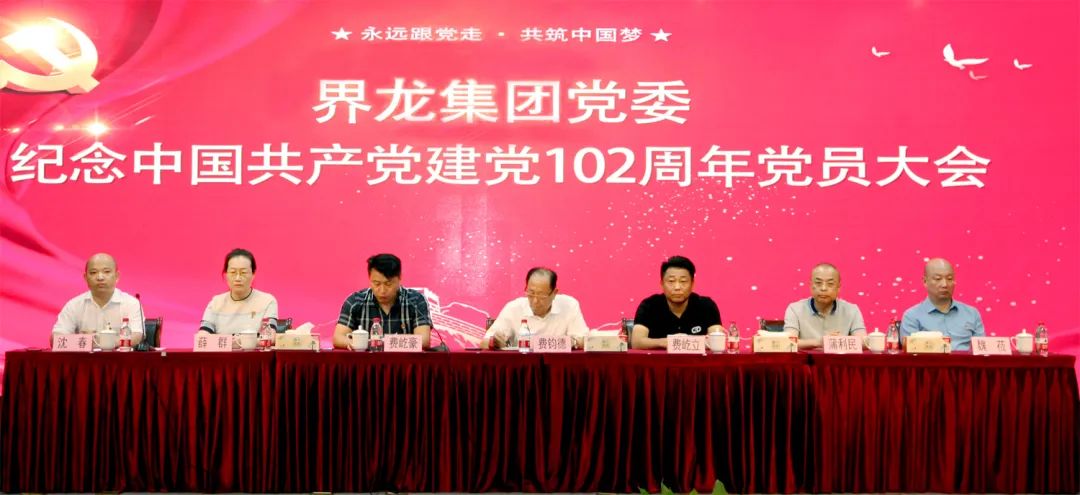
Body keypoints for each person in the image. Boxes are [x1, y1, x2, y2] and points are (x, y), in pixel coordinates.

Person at [333, 253, 432, 349]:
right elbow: (338, 338)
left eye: (388, 284)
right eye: (376, 283)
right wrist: (368, 344)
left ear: (400, 278)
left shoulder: (415, 300)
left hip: (403, 360)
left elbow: (424, 340)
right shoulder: (355, 301)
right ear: (369, 278)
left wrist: (379, 343)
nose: (382, 290)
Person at [482, 267, 589, 349]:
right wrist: (493, 342)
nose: (535, 301)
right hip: (524, 366)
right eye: (531, 293)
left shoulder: (569, 305)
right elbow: (484, 342)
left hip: (558, 365)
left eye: (541, 295)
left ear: (554, 293)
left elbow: (585, 341)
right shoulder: (513, 308)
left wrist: (573, 342)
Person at [631, 255, 722, 349]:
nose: (677, 287)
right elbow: (636, 342)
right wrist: (668, 342)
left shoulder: (706, 306)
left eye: (683, 281)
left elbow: (718, 341)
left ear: (692, 284)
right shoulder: (649, 306)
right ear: (662, 284)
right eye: (671, 281)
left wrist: (684, 342)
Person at [52, 253, 144, 343]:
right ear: (85, 277)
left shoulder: (131, 303)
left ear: (117, 276)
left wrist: (103, 343)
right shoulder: (74, 305)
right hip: (86, 354)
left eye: (106, 272)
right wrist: (85, 342)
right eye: (93, 272)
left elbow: (137, 335)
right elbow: (56, 338)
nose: (100, 277)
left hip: (119, 354)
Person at [901, 257, 985, 351]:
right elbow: (911, 354)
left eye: (949, 279)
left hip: (966, 360)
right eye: (938, 279)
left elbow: (982, 351)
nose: (945, 284)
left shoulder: (972, 313)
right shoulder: (912, 316)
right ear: (925, 281)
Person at [782, 263, 866, 349]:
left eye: (830, 284)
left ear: (838, 287)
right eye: (818, 283)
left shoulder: (852, 310)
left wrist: (840, 341)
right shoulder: (795, 309)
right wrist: (819, 342)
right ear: (810, 285)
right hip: (808, 358)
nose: (823, 288)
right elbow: (788, 342)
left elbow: (864, 342)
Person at [198, 248, 278, 335]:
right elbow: (203, 336)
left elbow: (268, 336)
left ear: (253, 274)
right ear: (226, 274)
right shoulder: (215, 303)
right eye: (233, 272)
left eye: (243, 272)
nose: (238, 278)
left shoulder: (267, 301)